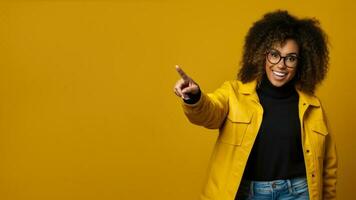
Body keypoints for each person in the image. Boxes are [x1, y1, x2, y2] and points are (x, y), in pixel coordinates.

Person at [173, 10, 337, 200]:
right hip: (249, 193)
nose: (281, 65)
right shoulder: (233, 94)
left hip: (299, 192)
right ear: (262, 54)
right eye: (274, 54)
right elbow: (209, 113)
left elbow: (329, 165)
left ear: (301, 63)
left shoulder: (312, 107)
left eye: (290, 58)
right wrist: (195, 98)